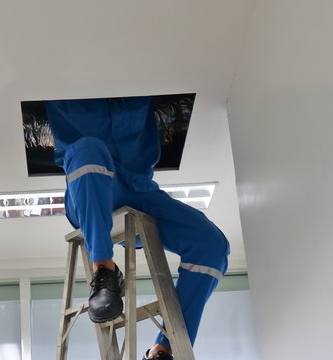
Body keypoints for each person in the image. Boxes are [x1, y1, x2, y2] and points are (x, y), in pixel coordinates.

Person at [46, 96, 230, 360]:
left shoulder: (140, 72)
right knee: (88, 148)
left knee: (212, 245)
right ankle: (104, 271)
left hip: (140, 189)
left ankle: (163, 349)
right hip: (90, 188)